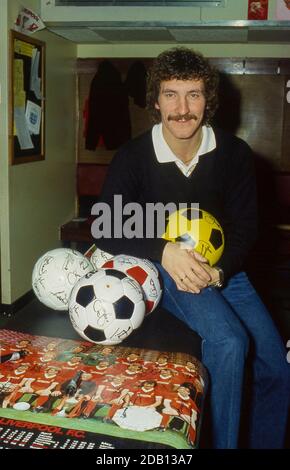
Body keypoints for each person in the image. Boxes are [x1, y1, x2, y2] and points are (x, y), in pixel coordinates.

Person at [93, 47, 290, 448]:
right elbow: (105, 224)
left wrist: (220, 272)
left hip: (224, 270)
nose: (182, 109)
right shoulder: (134, 156)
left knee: (276, 369)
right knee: (229, 341)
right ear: (155, 101)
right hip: (165, 267)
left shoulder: (234, 153)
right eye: (171, 94)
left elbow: (246, 227)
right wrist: (164, 250)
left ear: (209, 101)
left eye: (194, 94)